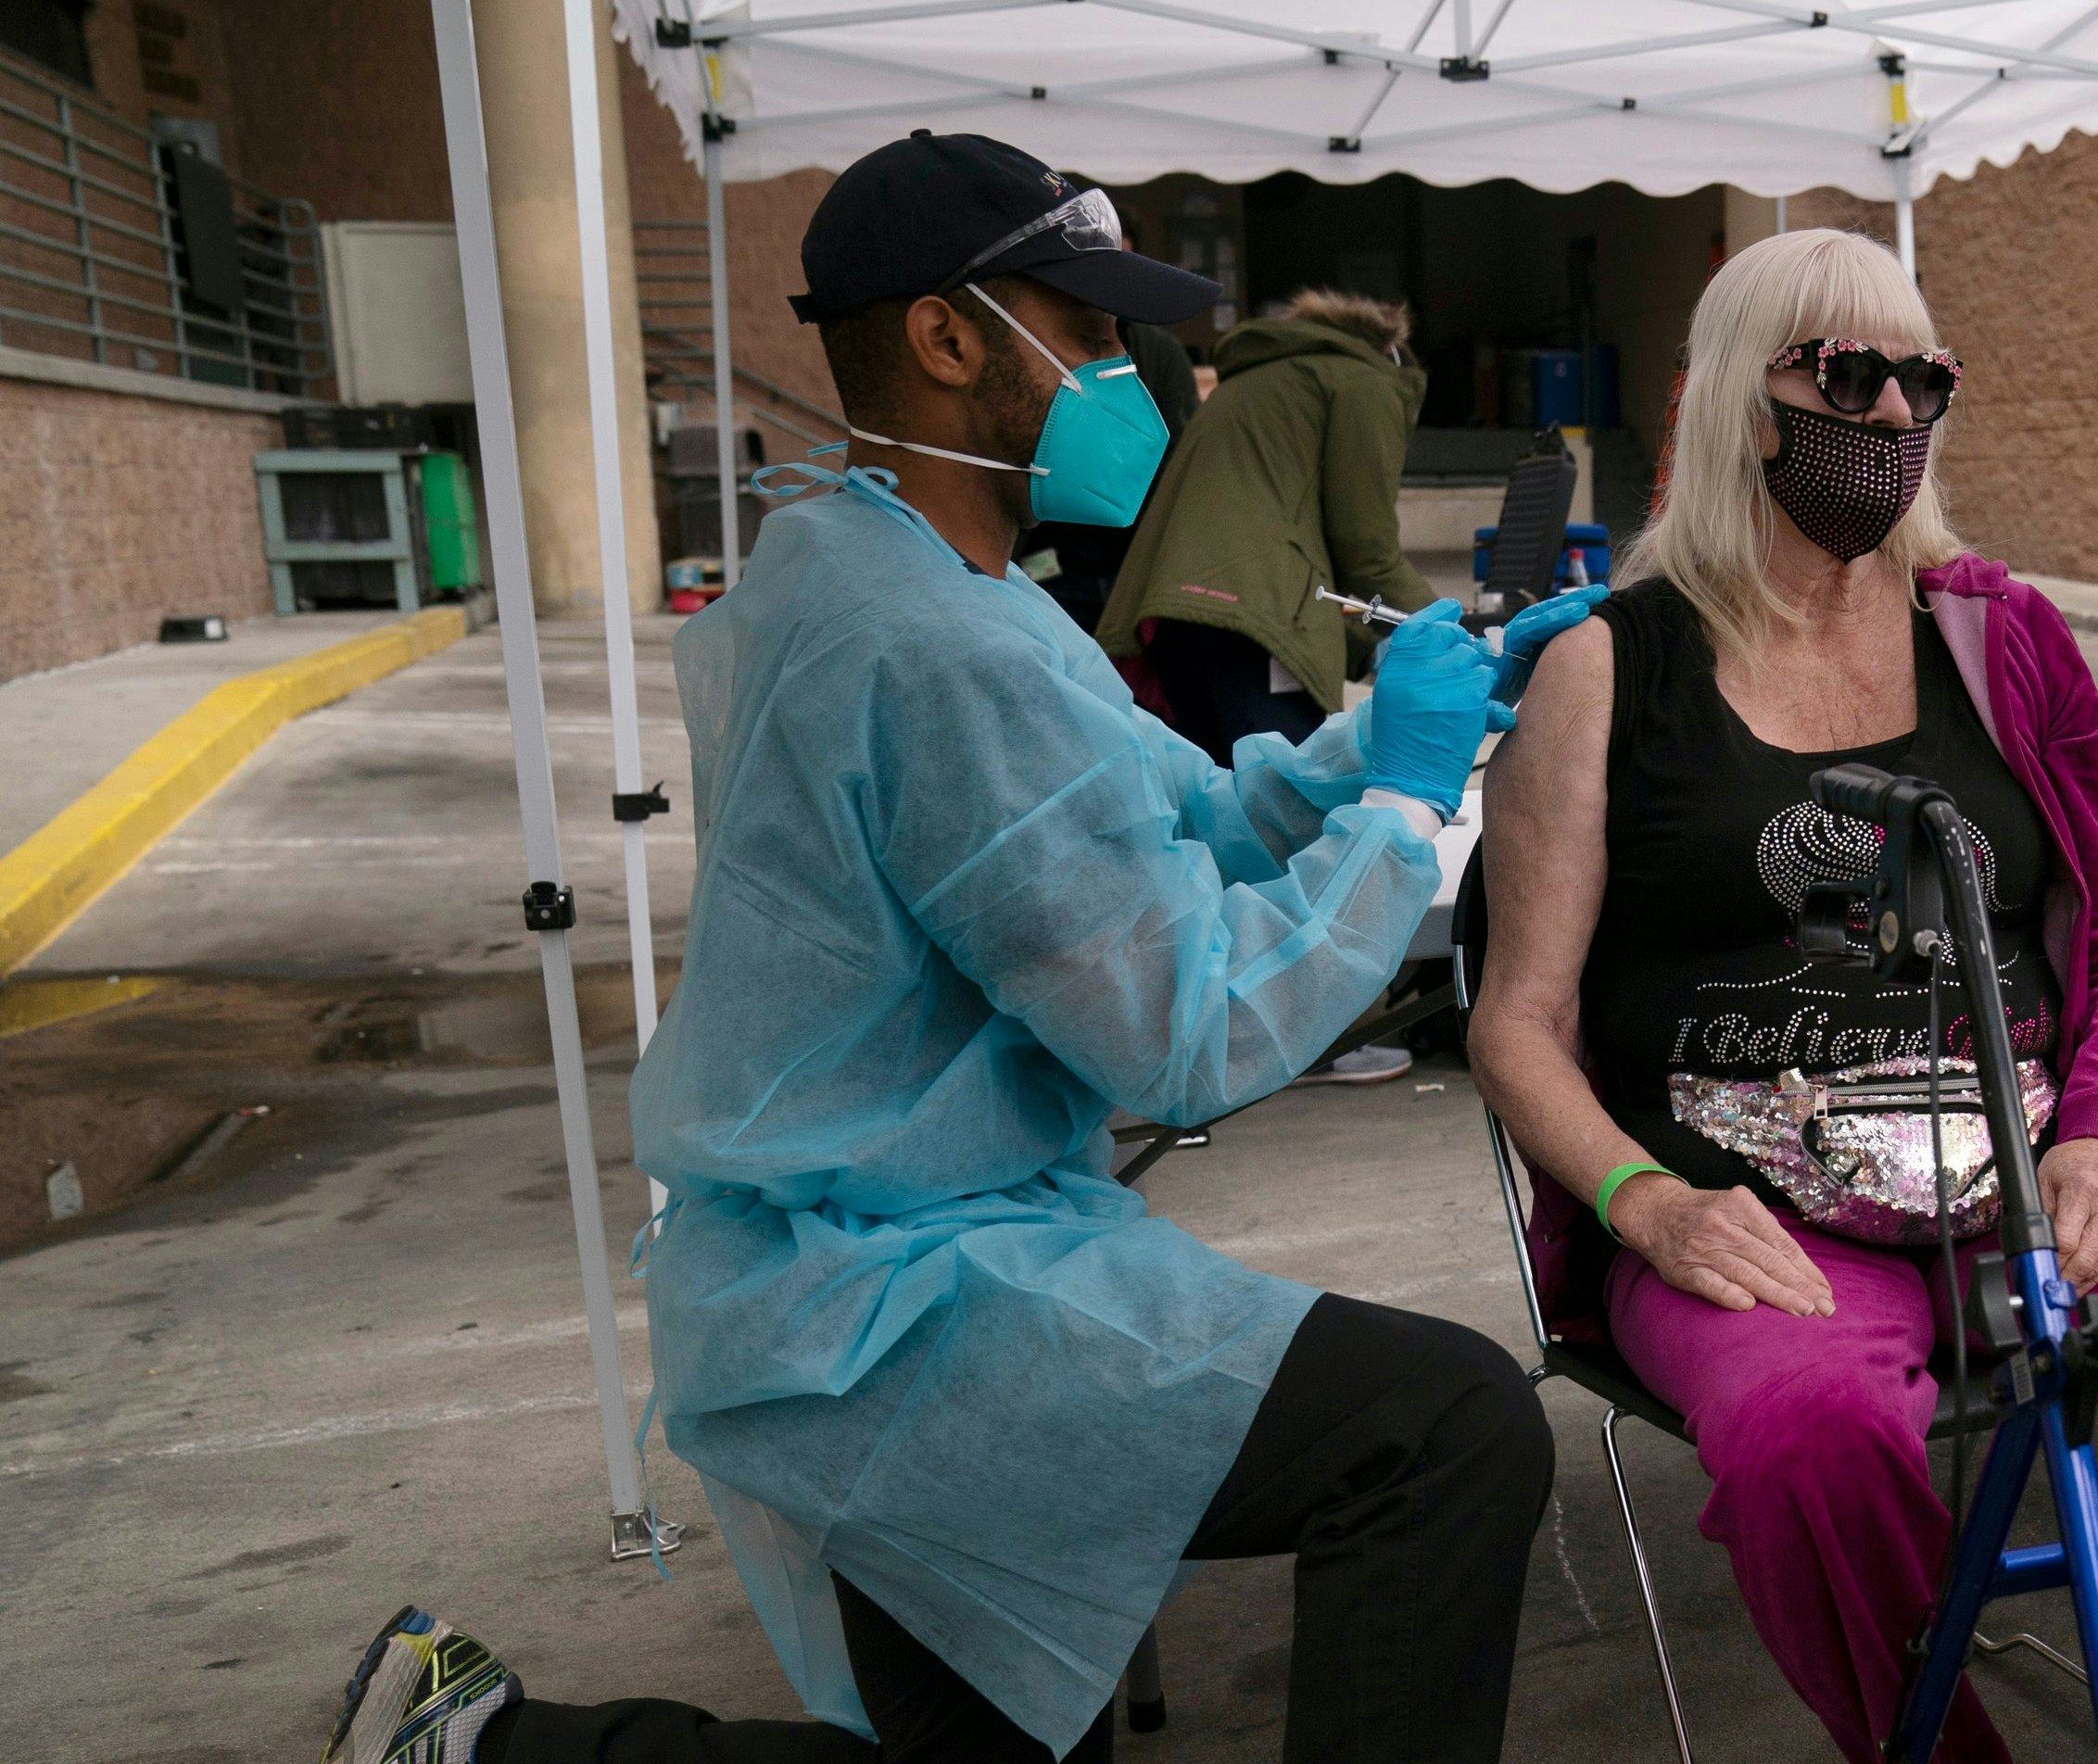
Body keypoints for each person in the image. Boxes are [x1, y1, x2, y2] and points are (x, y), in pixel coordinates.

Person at [319, 132, 1601, 1764]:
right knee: (1445, 1431)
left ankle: (481, 1743)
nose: (1139, 375)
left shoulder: (880, 569)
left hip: (843, 1254)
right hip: (898, 1298)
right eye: (1084, 330)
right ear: (944, 339)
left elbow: (1170, 819)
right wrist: (1415, 807)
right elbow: (1178, 1031)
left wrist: (1390, 737)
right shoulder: (927, 642)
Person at [1468, 230, 2098, 1764]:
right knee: (1810, 1444)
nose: (1890, 414)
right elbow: (1516, 1022)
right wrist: (1642, 1205)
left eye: (1921, 379)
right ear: (1744, 402)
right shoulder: (1610, 672)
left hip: (2025, 1166)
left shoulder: (2001, 640)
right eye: (1848, 373)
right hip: (1739, 1198)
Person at [1101, 289, 1434, 765]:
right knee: (1283, 811)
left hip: (1178, 619)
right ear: (1394, 357)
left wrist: (1363, 641)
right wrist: (1451, 628)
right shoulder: (1364, 381)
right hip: (1254, 625)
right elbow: (1366, 548)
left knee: (1217, 810)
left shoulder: (1266, 375)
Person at [1013, 318, 1201, 631]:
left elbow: (1180, 466)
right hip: (1051, 564)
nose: (1113, 350)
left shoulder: (1157, 351)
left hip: (1135, 569)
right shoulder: (1042, 339)